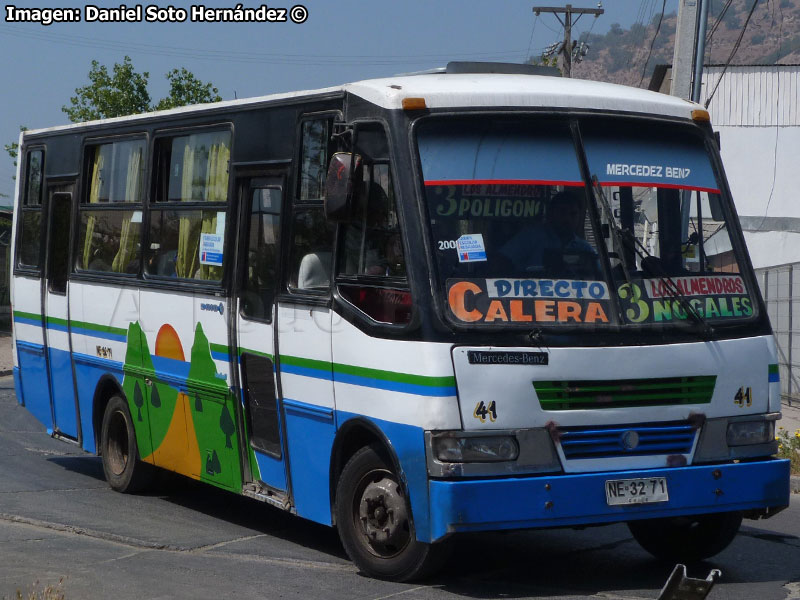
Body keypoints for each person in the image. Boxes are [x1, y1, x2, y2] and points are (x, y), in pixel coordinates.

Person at [499, 190, 596, 277]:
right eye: (562, 212)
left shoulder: (584, 248)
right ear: (551, 214)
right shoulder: (531, 237)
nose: (567, 219)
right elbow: (501, 262)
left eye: (573, 214)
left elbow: (599, 276)